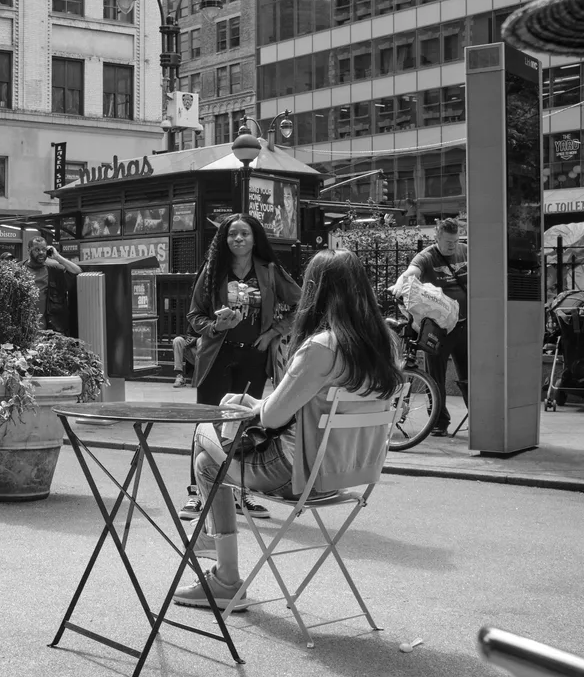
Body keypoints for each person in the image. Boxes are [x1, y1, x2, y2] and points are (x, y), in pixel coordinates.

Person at [171, 249, 403, 608]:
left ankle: (218, 560)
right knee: (207, 464)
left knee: (204, 432)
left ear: (315, 292)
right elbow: (279, 410)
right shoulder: (385, 343)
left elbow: (275, 419)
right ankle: (215, 557)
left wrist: (255, 407)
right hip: (348, 473)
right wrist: (258, 405)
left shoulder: (322, 347)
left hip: (296, 473)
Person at [179, 213, 301, 522]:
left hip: (254, 358)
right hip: (217, 356)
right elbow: (194, 317)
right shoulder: (212, 271)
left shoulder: (270, 271)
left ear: (255, 237)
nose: (238, 239)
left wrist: (274, 331)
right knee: (207, 423)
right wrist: (217, 326)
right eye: (232, 234)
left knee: (244, 425)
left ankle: (240, 494)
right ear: (224, 239)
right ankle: (197, 495)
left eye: (244, 233)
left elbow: (303, 303)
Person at [390, 217, 467, 437]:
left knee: (470, 374)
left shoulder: (465, 251)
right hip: (440, 328)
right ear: (437, 238)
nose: (453, 246)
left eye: (456, 240)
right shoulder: (427, 257)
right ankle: (439, 422)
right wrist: (399, 283)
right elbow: (411, 272)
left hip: (465, 324)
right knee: (436, 376)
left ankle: (479, 417)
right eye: (448, 242)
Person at [23, 236, 82, 335]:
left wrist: (57, 257)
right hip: (26, 332)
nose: (41, 252)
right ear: (29, 250)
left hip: (51, 331)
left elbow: (77, 271)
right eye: (37, 249)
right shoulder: (19, 269)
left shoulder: (54, 269)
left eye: (44, 249)